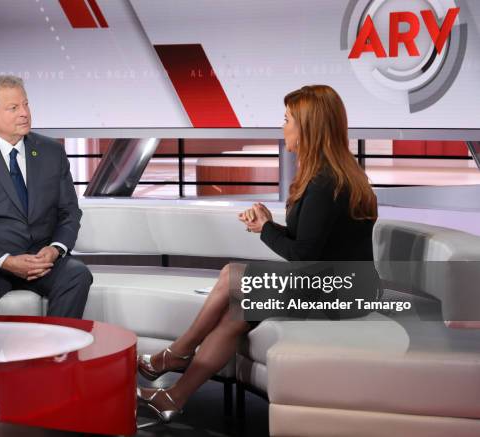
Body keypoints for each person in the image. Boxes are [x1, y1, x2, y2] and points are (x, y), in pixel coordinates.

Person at [137, 85, 378, 423]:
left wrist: (265, 230)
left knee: (231, 275)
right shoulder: (330, 174)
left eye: (287, 120)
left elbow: (304, 256)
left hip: (340, 296)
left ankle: (177, 354)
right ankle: (173, 397)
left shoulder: (327, 182)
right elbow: (311, 244)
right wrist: (267, 225)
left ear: (309, 127)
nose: (282, 127)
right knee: (233, 317)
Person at [0, 75, 92, 318]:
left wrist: (54, 249)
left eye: (26, 104)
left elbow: (69, 212)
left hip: (38, 258)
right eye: (13, 107)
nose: (24, 113)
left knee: (77, 275)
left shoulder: (51, 151)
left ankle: (57, 353)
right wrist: (6, 260)